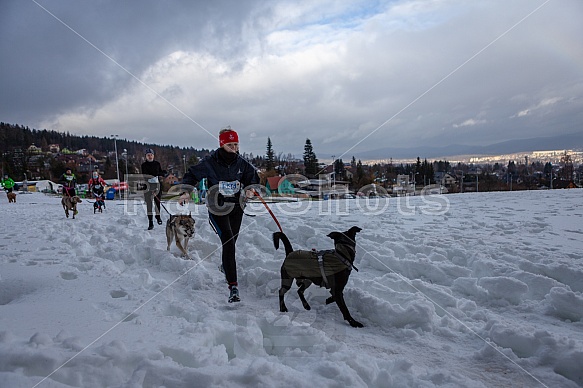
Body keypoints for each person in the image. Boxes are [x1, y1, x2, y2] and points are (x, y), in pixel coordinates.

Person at [181, 127, 260, 303]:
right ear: (222, 144)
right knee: (229, 241)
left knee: (232, 241)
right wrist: (186, 191)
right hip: (217, 208)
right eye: (230, 144)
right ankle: (233, 286)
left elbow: (252, 177)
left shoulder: (242, 163)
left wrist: (251, 188)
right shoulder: (210, 162)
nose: (234, 148)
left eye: (236, 144)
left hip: (236, 207)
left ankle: (226, 266)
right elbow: (192, 174)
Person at [141, 148, 165, 230]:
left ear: (153, 156)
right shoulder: (144, 165)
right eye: (148, 155)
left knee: (157, 202)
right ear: (146, 156)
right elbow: (146, 176)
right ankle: (150, 222)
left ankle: (158, 217)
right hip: (148, 186)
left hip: (157, 185)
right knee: (149, 205)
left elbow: (160, 172)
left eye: (151, 155)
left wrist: (163, 173)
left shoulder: (157, 164)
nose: (150, 156)